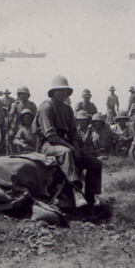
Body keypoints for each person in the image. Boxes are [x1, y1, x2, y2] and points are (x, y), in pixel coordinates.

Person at [34, 75, 102, 208]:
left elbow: (73, 133)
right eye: (58, 90)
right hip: (48, 144)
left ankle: (91, 198)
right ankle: (76, 192)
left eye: (64, 90)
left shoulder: (67, 109)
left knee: (95, 163)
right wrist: (71, 148)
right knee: (65, 152)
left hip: (65, 142)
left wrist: (75, 147)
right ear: (52, 92)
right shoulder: (46, 108)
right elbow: (51, 136)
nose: (62, 93)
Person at [6, 86, 37, 152]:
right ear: (19, 95)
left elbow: (36, 116)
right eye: (21, 94)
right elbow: (11, 115)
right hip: (18, 125)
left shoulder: (32, 105)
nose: (23, 96)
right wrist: (8, 122)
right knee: (9, 137)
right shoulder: (16, 104)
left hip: (30, 125)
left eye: (25, 94)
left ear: (28, 95)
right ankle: (12, 152)